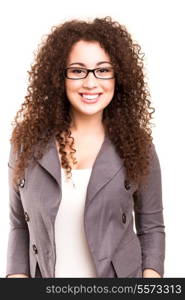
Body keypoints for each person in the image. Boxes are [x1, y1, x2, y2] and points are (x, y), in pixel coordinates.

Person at [6, 16, 165, 278]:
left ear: (118, 76)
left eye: (103, 70)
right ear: (59, 77)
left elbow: (152, 228)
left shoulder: (138, 146)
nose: (91, 83)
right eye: (78, 70)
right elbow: (19, 226)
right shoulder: (26, 144)